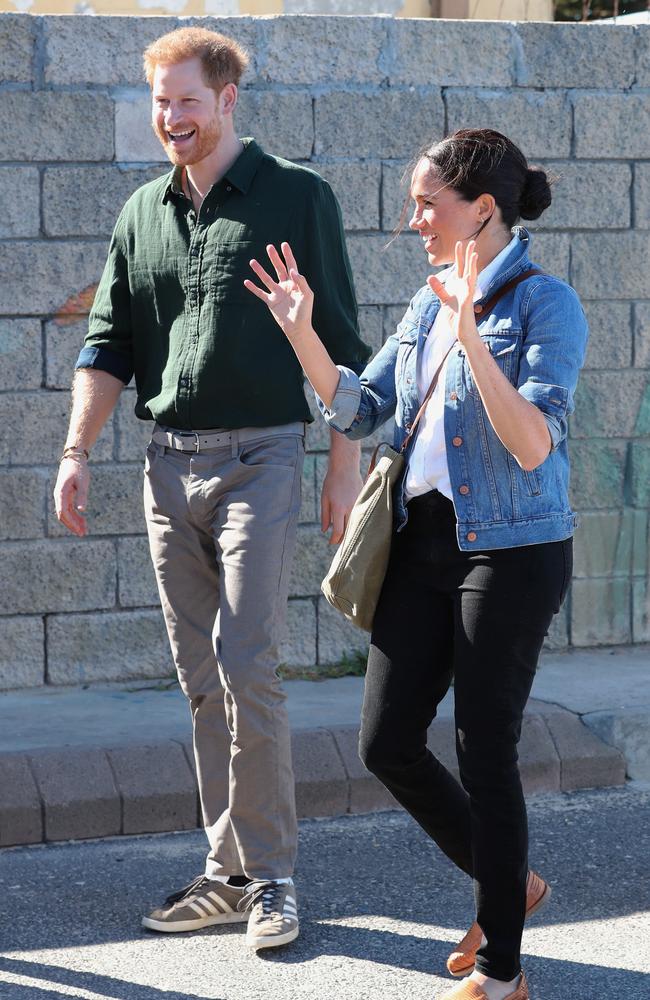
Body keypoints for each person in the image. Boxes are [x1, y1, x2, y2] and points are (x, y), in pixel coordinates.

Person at [245, 129, 588, 998]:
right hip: (423, 544)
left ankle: (504, 971)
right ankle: (507, 886)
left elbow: (534, 441)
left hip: (510, 552)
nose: (414, 222)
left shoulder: (547, 306)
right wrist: (303, 336)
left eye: (427, 205)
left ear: (481, 210)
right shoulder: (425, 303)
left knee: (486, 750)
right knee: (387, 740)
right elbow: (368, 413)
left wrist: (473, 332)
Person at [53, 26, 369, 951]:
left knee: (247, 663)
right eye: (160, 102)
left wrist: (342, 466)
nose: (171, 118)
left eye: (186, 100)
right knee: (199, 678)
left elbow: (343, 345)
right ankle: (227, 871)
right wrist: (76, 453)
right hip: (167, 461)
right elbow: (107, 345)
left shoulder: (298, 197)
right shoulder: (141, 212)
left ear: (228, 100)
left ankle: (272, 878)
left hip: (262, 457)